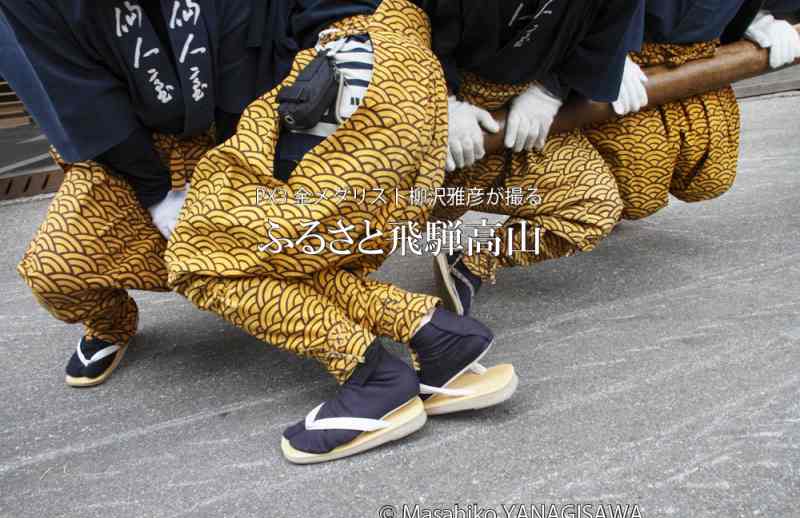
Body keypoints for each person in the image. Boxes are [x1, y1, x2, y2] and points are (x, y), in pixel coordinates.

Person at [165, 0, 518, 464]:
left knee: (199, 261)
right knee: (301, 254)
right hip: (413, 74)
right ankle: (436, 334)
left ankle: (372, 376)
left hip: (353, 67)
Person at [2, 0, 289, 387]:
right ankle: (111, 322)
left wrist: (237, 171)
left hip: (237, 125)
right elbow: (76, 96)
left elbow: (245, 37)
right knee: (55, 271)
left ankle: (355, 323)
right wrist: (159, 196)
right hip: (126, 151)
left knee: (322, 225)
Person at [418, 0, 647, 317]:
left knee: (594, 204)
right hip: (420, 109)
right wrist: (441, 99)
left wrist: (550, 90)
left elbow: (603, 32)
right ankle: (373, 318)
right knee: (357, 218)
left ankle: (471, 261)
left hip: (520, 118)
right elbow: (388, 22)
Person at [585, 0, 800, 221]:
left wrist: (756, 13)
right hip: (630, 46)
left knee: (711, 176)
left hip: (701, 48)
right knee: (637, 194)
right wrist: (603, 46)